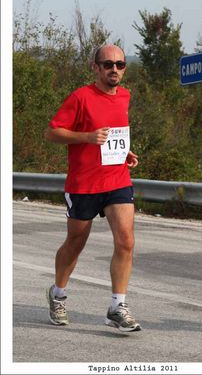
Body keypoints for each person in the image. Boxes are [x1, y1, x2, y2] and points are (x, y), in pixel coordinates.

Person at [45, 44, 141, 332]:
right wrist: (86, 136)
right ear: (95, 67)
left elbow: (113, 133)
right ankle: (57, 294)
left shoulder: (125, 96)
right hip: (84, 183)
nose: (115, 69)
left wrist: (123, 152)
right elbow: (51, 133)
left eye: (120, 64)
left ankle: (117, 306)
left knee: (126, 240)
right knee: (76, 242)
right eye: (108, 64)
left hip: (117, 179)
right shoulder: (80, 97)